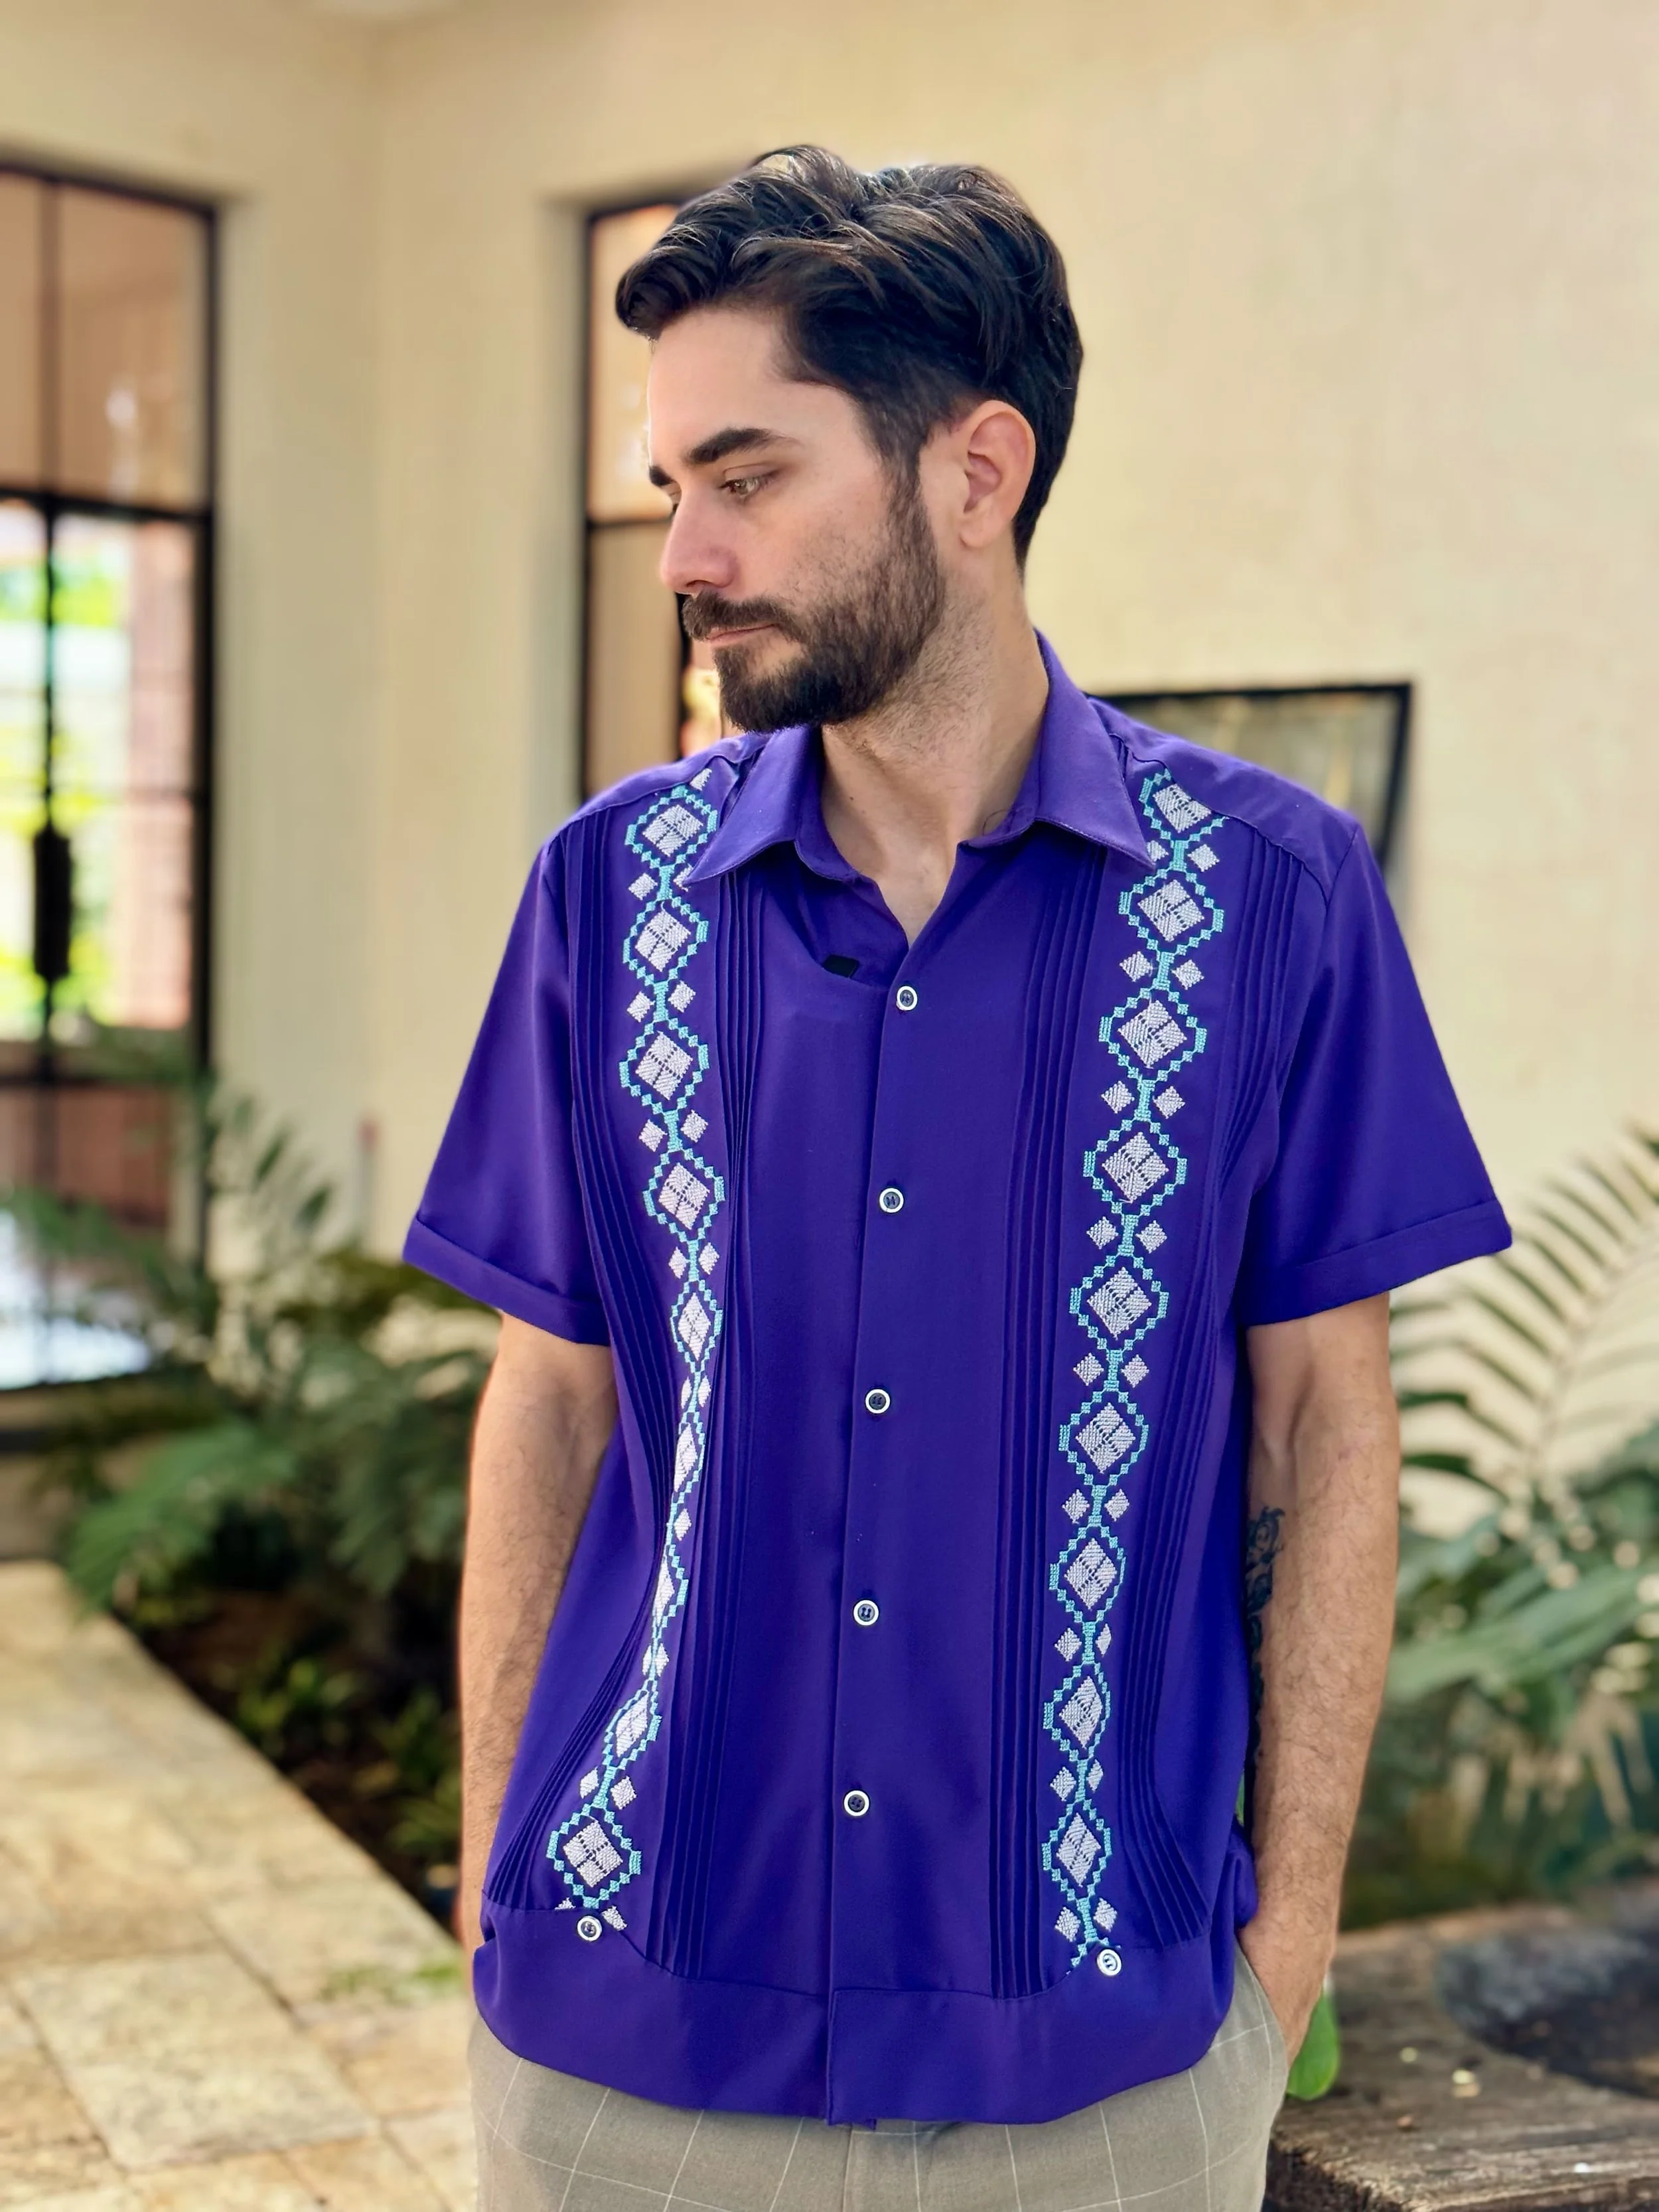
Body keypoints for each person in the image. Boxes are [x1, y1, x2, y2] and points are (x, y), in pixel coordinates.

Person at [406, 146, 1510, 2212]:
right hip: (623, 2054)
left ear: (975, 469)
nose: (685, 554)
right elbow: (546, 1399)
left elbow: (1325, 1424)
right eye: (671, 486)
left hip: (1099, 2074)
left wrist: (1279, 1949)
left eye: (748, 477)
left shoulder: (1268, 897)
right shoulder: (607, 898)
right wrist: (491, 1879)